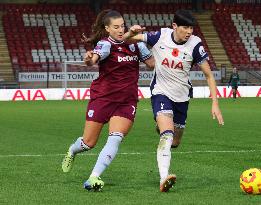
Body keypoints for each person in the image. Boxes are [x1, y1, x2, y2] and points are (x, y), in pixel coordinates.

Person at [125, 9, 224, 192]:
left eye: (191, 28)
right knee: (167, 135)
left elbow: (209, 75)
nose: (189, 32)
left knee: (175, 141)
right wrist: (131, 33)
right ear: (174, 26)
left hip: (182, 97)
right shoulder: (159, 36)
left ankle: (163, 127)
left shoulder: (195, 45)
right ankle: (164, 177)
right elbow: (127, 41)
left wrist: (215, 103)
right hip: (160, 92)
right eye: (185, 27)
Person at [61, 9, 154, 192]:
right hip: (102, 98)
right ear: (107, 29)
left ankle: (94, 177)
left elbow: (152, 64)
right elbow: (93, 60)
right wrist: (88, 59)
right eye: (116, 27)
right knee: (88, 143)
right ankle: (72, 150)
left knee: (115, 139)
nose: (120, 30)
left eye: (123, 26)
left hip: (127, 101)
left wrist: (155, 43)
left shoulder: (136, 45)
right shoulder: (105, 44)